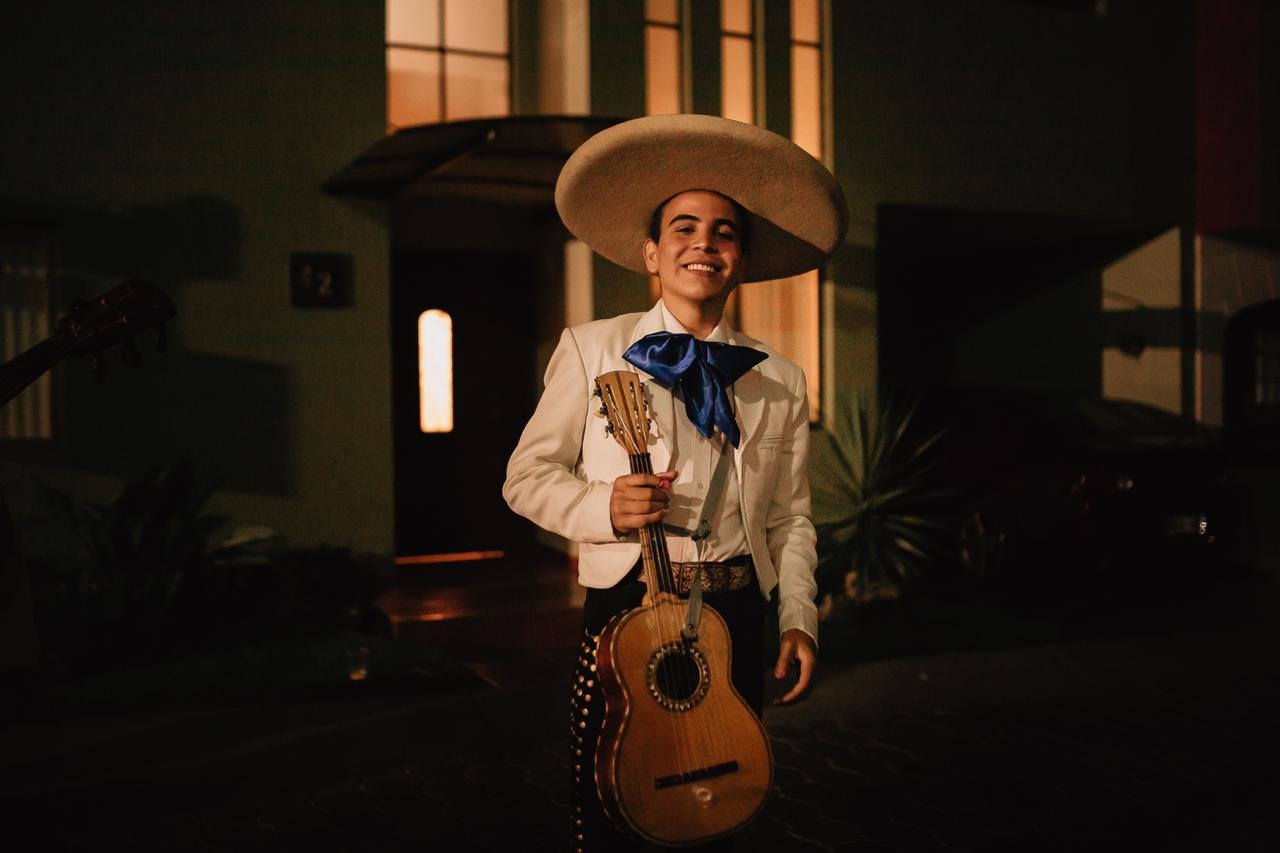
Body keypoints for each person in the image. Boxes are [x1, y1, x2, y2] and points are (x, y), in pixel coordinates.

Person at [503, 113, 847, 851]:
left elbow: (790, 518)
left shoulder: (778, 379)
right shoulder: (593, 349)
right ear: (652, 253)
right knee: (616, 804)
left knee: (720, 804)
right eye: (684, 227)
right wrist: (602, 506)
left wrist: (797, 616)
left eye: (724, 232)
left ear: (740, 261)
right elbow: (525, 477)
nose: (705, 242)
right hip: (626, 607)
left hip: (734, 612)